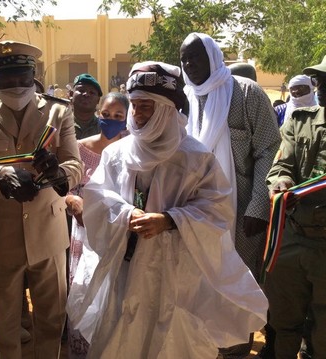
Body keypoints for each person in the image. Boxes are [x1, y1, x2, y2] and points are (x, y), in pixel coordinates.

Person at [67, 61, 267, 358]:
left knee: (171, 339)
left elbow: (218, 209)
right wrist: (124, 213)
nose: (136, 114)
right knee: (121, 335)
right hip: (123, 267)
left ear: (167, 110)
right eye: (134, 105)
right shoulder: (116, 154)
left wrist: (170, 220)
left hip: (174, 273)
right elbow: (97, 197)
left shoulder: (196, 158)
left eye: (146, 107)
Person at [0, 40, 82, 358]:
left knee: (52, 322)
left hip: (49, 230)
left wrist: (57, 172)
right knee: (4, 326)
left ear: (34, 74)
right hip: (0, 233)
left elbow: (74, 165)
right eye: (7, 78)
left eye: (22, 76)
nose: (16, 85)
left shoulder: (59, 109)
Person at [180, 33, 281, 357]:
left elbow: (268, 149)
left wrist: (258, 206)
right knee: (198, 282)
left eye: (196, 56)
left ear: (213, 56)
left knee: (236, 282)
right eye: (184, 59)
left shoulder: (246, 93)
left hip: (241, 213)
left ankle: (236, 349)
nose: (189, 64)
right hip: (195, 210)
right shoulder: (184, 98)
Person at [265, 55, 326, 359]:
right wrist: (281, 180)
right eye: (321, 81)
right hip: (293, 239)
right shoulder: (300, 121)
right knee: (283, 324)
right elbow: (281, 165)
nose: (322, 87)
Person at [66, 92, 129, 358]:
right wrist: (73, 201)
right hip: (83, 235)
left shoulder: (132, 150)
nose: (111, 120)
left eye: (118, 116)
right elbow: (63, 188)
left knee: (114, 296)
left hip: (117, 238)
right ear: (98, 114)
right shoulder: (79, 148)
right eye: (106, 115)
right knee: (82, 292)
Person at [71, 73, 103, 139]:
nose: (86, 94)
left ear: (98, 100)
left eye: (92, 92)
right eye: (81, 90)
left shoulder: (104, 128)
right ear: (71, 95)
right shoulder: (61, 125)